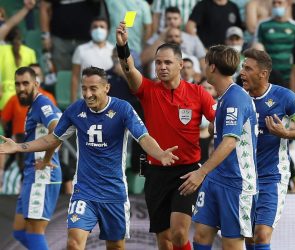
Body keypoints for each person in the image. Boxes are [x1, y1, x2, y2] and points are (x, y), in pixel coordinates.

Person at [0, 66, 179, 250]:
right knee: (74, 242)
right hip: (84, 191)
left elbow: (143, 137)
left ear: (106, 88)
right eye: (84, 88)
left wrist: (159, 153)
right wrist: (18, 147)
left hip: (113, 192)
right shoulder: (75, 110)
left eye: (93, 88)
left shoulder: (122, 108)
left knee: (116, 246)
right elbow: (52, 138)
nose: (87, 94)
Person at [116, 22, 216, 250]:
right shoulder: (148, 91)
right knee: (164, 240)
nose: (162, 67)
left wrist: (212, 131)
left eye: (168, 62)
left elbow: (219, 123)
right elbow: (130, 70)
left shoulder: (198, 92)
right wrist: (123, 47)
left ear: (181, 65)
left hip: (187, 172)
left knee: (179, 234)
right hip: (155, 172)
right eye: (158, 62)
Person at [179, 45, 258, 250]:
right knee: (202, 234)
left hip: (236, 181)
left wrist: (201, 172)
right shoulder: (224, 97)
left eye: (206, 64)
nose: (204, 68)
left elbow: (230, 141)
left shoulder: (235, 97)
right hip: (216, 177)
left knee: (231, 243)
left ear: (212, 67)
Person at [240, 48, 295, 250]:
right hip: (243, 177)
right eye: (242, 67)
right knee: (248, 237)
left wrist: (286, 134)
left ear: (263, 74)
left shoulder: (285, 97)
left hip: (272, 176)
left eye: (248, 68)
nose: (242, 72)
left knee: (262, 234)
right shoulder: (237, 97)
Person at [6, 67, 61, 250]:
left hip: (42, 175)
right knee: (19, 232)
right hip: (32, 173)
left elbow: (57, 130)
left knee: (34, 233)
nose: (21, 88)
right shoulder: (34, 106)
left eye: (25, 83)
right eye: (17, 84)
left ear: (36, 84)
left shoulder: (42, 103)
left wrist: (46, 159)